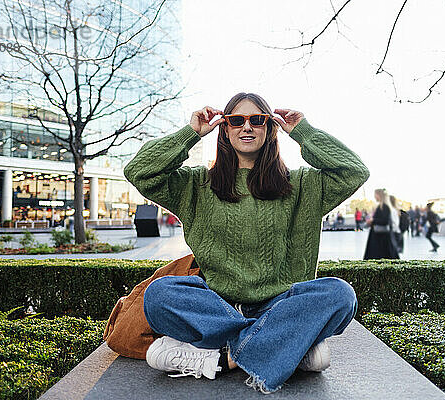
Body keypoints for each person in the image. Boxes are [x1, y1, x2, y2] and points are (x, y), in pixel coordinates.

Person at [124, 92, 369, 394]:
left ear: (270, 129)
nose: (247, 127)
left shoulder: (304, 184)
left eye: (258, 120)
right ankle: (287, 347)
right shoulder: (197, 185)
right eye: (237, 120)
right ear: (224, 129)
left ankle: (221, 358)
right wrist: (191, 133)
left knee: (340, 295)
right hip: (218, 307)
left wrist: (303, 131)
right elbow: (138, 171)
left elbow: (355, 171)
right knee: (158, 295)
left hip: (280, 305)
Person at [363, 189, 399, 260]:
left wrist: (373, 220)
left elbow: (385, 221)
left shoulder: (384, 207)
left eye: (375, 194)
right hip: (380, 236)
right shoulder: (382, 206)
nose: (374, 196)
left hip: (380, 237)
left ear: (379, 195)